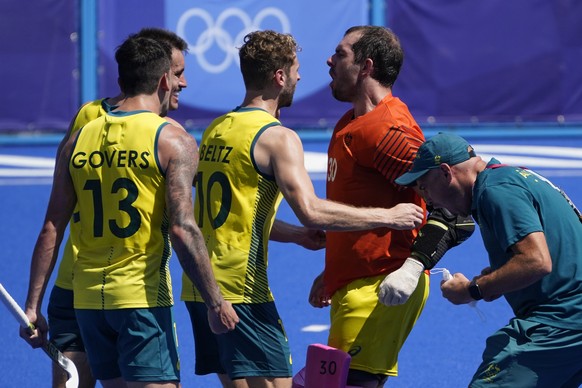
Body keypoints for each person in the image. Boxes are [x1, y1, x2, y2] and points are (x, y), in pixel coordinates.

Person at [180, 29, 425, 388]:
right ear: (280, 77)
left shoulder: (217, 129)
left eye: (338, 54)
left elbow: (232, 214)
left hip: (199, 286)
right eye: (296, 69)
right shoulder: (280, 136)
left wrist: (299, 238)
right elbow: (310, 210)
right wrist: (388, 216)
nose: (306, 74)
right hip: (242, 290)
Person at [20, 35, 238, 388]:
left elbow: (51, 226)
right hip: (141, 300)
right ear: (164, 80)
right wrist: (215, 301)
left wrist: (33, 306)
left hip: (88, 302)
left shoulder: (80, 138)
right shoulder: (172, 139)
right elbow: (183, 229)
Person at [46, 27, 190, 388]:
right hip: (128, 287)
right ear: (158, 75)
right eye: (177, 73)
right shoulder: (165, 136)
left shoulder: (87, 121)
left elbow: (56, 214)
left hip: (80, 281)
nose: (181, 83)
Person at [395, 132, 582, 387]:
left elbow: (537, 261)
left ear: (446, 172)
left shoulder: (495, 191)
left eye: (425, 187)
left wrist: (473, 290)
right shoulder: (511, 178)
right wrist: (496, 276)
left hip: (560, 322)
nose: (428, 201)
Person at [305, 25, 433, 388]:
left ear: (366, 66)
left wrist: (411, 269)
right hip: (356, 282)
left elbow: (447, 204)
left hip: (379, 287)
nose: (329, 61)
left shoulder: (387, 130)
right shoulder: (351, 122)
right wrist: (334, 267)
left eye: (341, 54)